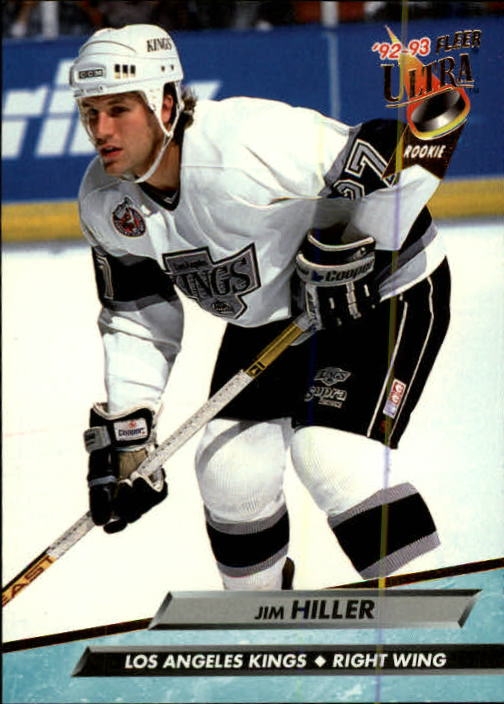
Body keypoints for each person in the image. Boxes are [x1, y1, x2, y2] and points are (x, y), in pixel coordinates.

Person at [70, 24, 451, 591]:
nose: (101, 130)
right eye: (90, 112)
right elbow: (137, 311)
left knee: (330, 454)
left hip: (382, 293)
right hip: (274, 312)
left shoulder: (249, 142)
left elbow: (403, 153)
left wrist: (358, 245)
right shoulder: (106, 203)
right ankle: (261, 620)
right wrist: (130, 428)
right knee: (228, 469)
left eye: (119, 110)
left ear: (165, 103)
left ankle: (435, 607)